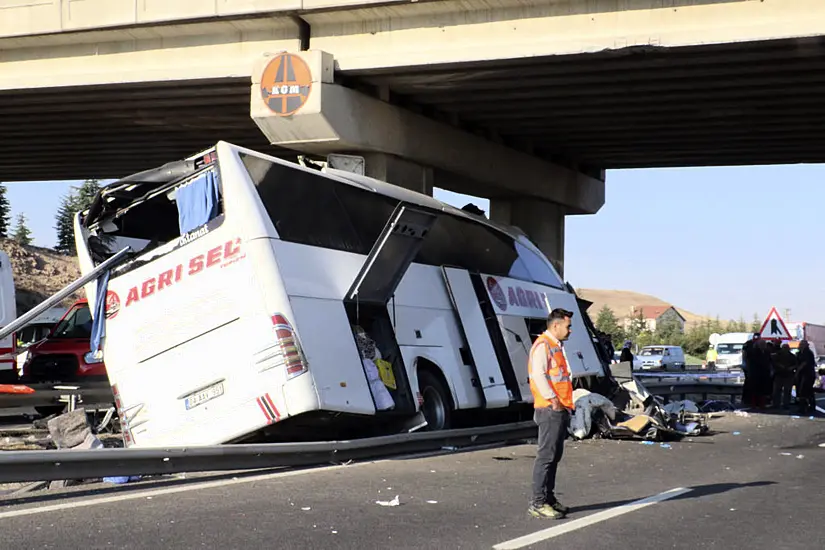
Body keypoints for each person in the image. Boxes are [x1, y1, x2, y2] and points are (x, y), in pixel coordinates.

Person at [527, 308, 576, 520]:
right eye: (568, 326)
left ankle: (548, 498)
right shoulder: (544, 345)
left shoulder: (555, 346)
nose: (570, 330)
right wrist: (553, 399)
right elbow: (538, 374)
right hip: (550, 408)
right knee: (546, 456)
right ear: (555, 325)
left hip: (559, 407)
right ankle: (538, 502)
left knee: (554, 456)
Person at [772, 343, 798, 409]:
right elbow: (773, 363)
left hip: (789, 375)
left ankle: (786, 404)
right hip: (779, 374)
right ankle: (776, 404)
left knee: (787, 391)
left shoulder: (792, 356)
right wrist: (779, 366)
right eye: (784, 348)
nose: (785, 349)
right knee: (777, 390)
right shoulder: (778, 355)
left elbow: (796, 364)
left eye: (786, 348)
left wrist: (791, 368)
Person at [795, 340, 817, 414]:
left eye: (802, 344)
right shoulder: (799, 353)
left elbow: (804, 363)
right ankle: (810, 406)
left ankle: (803, 407)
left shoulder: (808, 353)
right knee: (808, 390)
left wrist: (798, 371)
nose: (800, 346)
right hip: (803, 374)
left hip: (808, 374)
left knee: (804, 390)